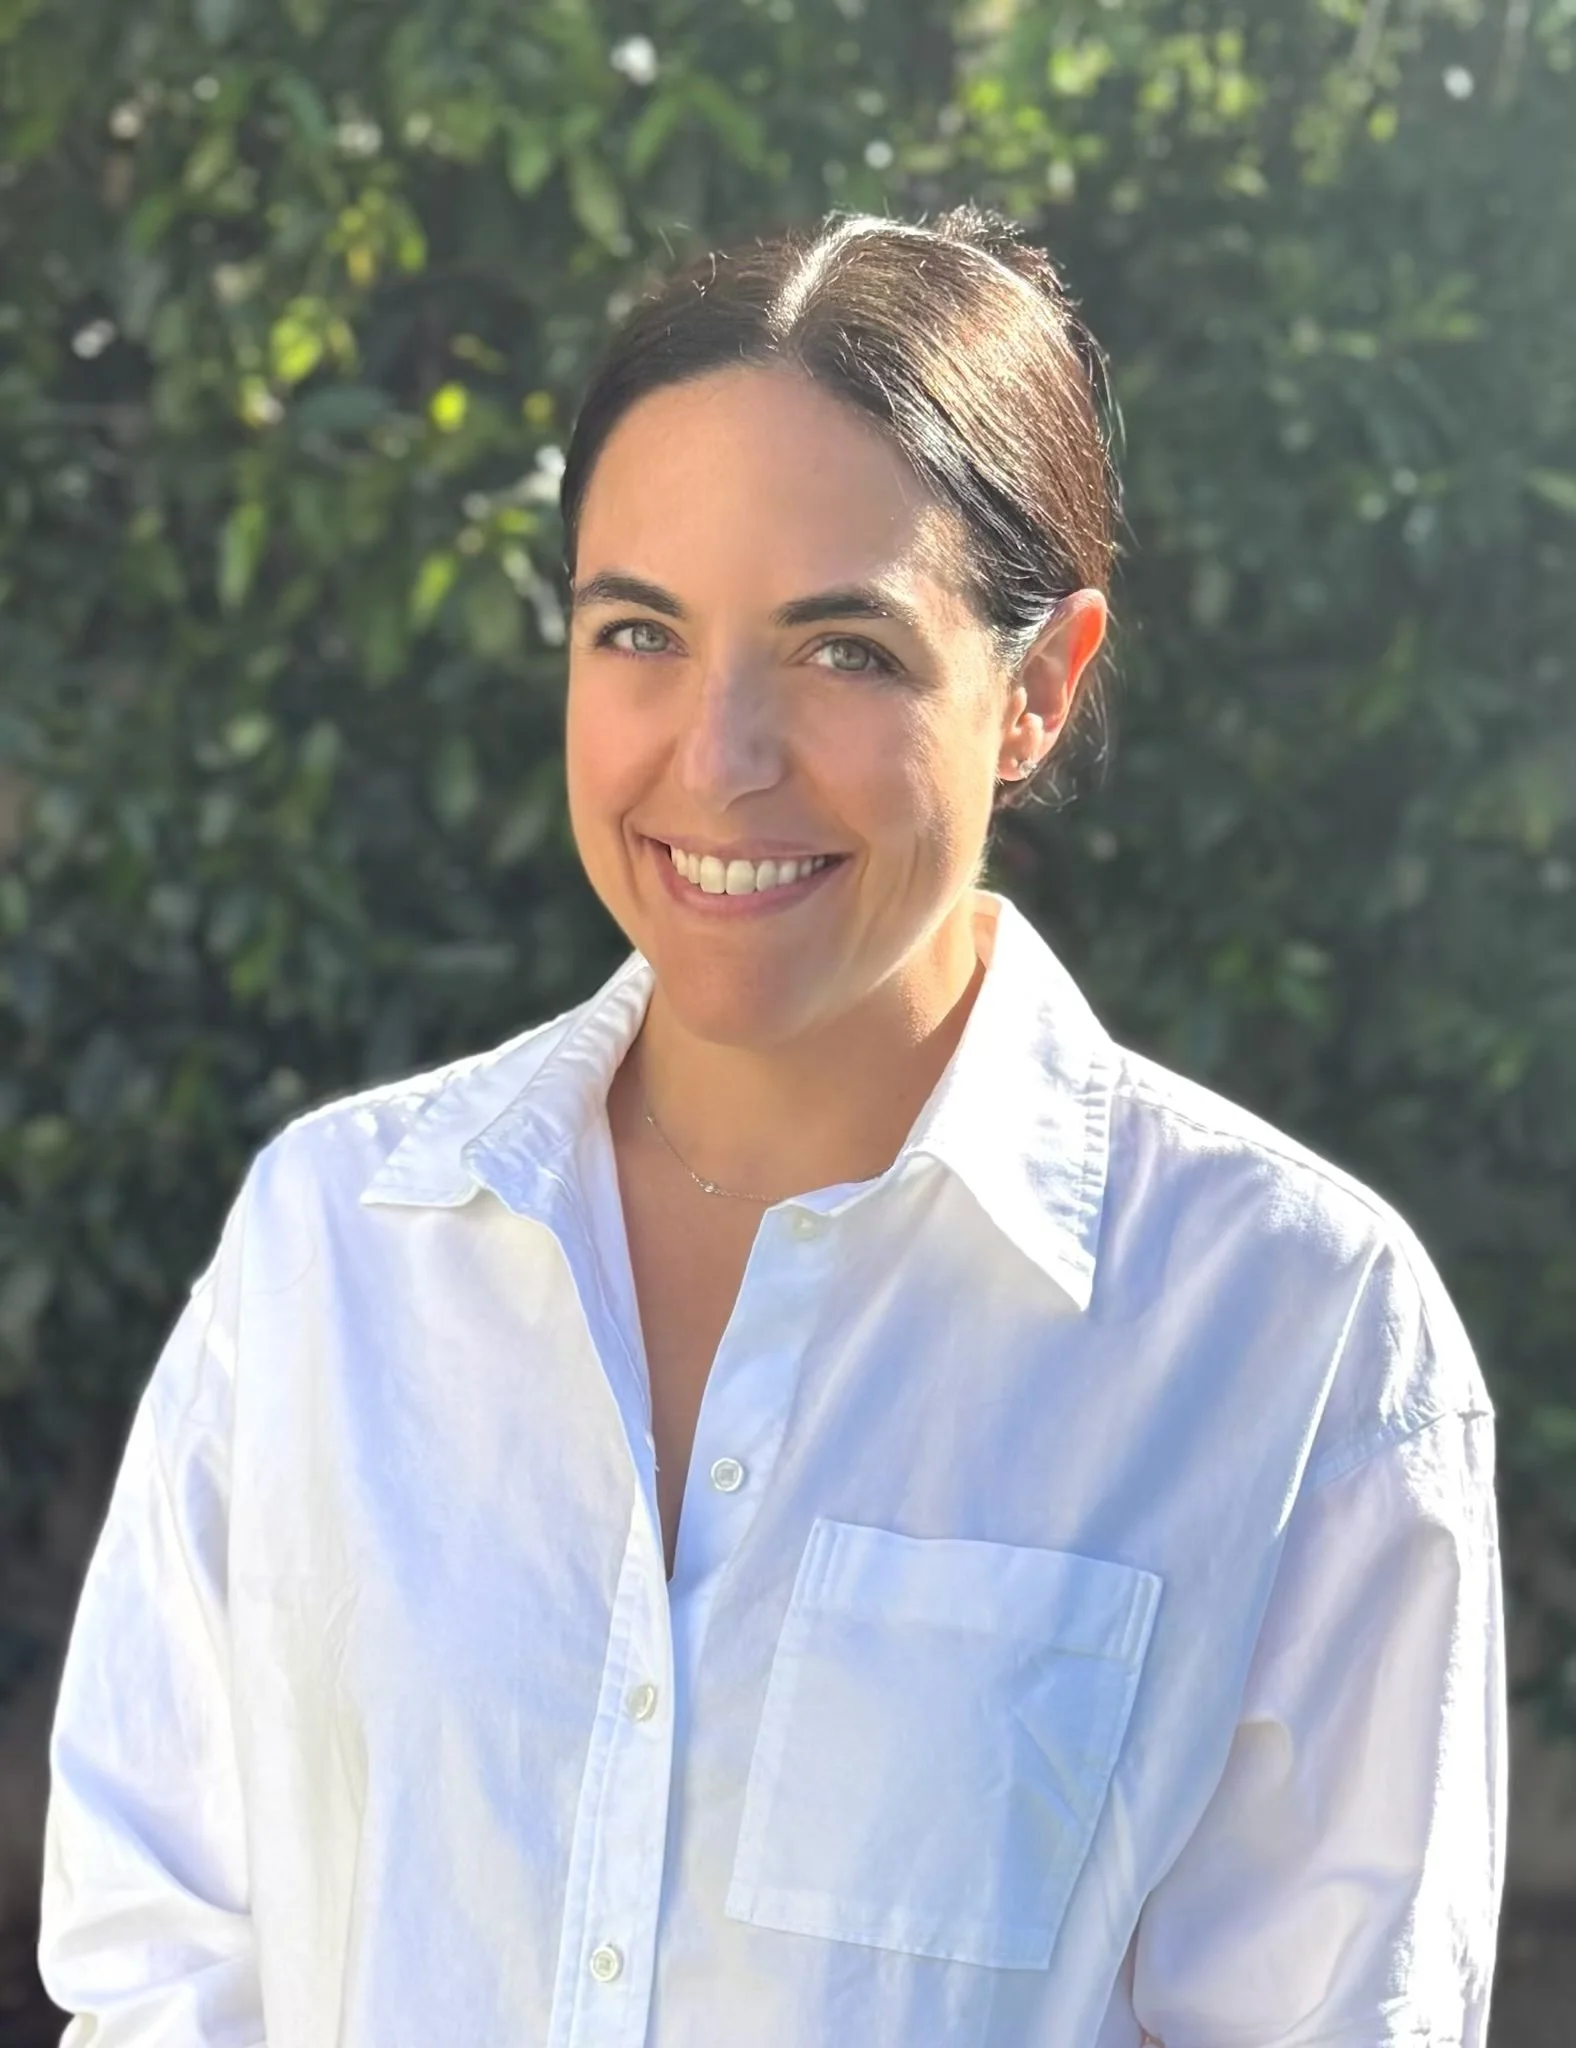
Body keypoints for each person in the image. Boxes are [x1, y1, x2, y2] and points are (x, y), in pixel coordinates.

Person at [38, 206, 1505, 2048]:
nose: (718, 757)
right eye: (638, 630)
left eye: (845, 652)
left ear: (1039, 689)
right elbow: (164, 1963)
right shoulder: (335, 1244)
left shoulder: (1294, 1337)